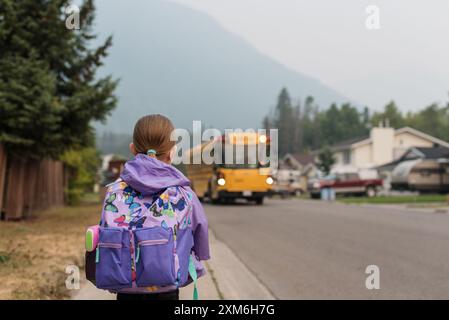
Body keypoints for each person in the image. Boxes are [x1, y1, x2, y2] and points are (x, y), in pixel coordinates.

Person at [98, 114, 210, 300]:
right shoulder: (183, 194)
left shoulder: (115, 190)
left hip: (126, 287)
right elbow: (201, 235)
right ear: (172, 152)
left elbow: (105, 229)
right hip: (166, 289)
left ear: (133, 149)